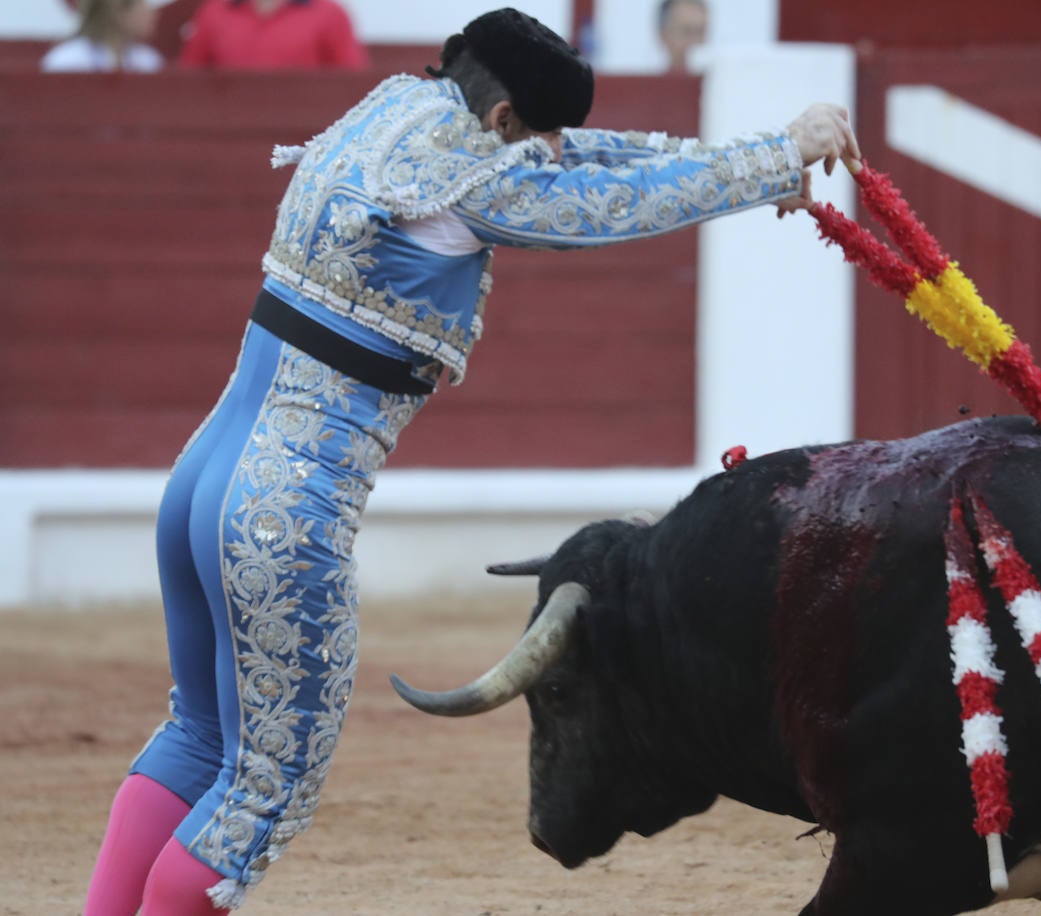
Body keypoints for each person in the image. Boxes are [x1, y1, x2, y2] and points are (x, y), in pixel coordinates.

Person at [80, 7, 859, 914]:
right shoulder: (472, 177)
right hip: (281, 512)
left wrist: (757, 161)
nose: (552, 150)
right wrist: (770, 159)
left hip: (199, 484)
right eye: (539, 135)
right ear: (501, 124)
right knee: (262, 789)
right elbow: (607, 201)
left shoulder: (395, 110)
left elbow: (588, 157)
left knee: (198, 738)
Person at [177, 0, 367, 70]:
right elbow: (189, 82)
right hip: (225, 136)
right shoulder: (214, 12)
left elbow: (351, 89)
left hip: (305, 140)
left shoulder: (330, 14)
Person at [41, 0, 163, 73]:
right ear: (119, 12)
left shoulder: (148, 60)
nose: (152, 13)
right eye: (142, 5)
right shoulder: (68, 60)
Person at [657, 0, 708, 73]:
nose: (695, 41)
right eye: (687, 32)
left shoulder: (724, 83)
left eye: (700, 32)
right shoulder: (648, 84)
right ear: (663, 35)